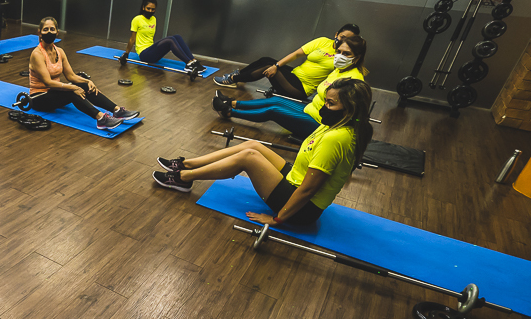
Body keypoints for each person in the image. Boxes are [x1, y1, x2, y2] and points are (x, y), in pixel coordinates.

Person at [153, 78, 373, 226]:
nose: (324, 107)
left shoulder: (337, 138)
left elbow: (307, 191)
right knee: (254, 146)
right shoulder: (337, 125)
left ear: (350, 109)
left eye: (331, 103)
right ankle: (188, 164)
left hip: (303, 210)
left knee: (249, 158)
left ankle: (183, 178)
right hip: (294, 179)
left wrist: (277, 219)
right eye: (325, 101)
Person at [212, 36, 368, 140]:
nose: (339, 56)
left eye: (346, 54)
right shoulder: (338, 70)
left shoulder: (354, 80)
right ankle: (232, 103)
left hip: (320, 123)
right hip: (311, 109)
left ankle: (228, 112)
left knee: (274, 111)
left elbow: (349, 117)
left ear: (358, 57)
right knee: (275, 100)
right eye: (339, 52)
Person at [29, 17, 139, 130]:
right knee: (72, 90)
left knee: (85, 86)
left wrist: (88, 81)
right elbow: (48, 82)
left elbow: (71, 76)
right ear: (39, 32)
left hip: (55, 93)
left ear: (57, 32)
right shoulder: (37, 54)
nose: (49, 32)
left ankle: (117, 110)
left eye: (52, 29)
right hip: (39, 98)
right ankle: (101, 119)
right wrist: (72, 88)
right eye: (45, 29)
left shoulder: (60, 51)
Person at [213, 23, 361, 100]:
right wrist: (277, 66)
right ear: (336, 34)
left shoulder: (344, 57)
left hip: (300, 88)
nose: (343, 40)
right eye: (342, 36)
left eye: (348, 39)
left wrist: (274, 68)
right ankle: (240, 74)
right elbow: (296, 54)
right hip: (294, 75)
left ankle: (233, 78)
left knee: (267, 66)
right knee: (268, 60)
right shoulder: (323, 41)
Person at [122, 0, 205, 75]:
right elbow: (132, 39)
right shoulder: (137, 19)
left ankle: (193, 61)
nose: (150, 11)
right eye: (148, 8)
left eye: (153, 9)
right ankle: (189, 63)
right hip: (144, 54)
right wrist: (126, 54)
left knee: (177, 37)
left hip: (152, 51)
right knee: (170, 40)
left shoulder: (153, 19)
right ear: (143, 7)